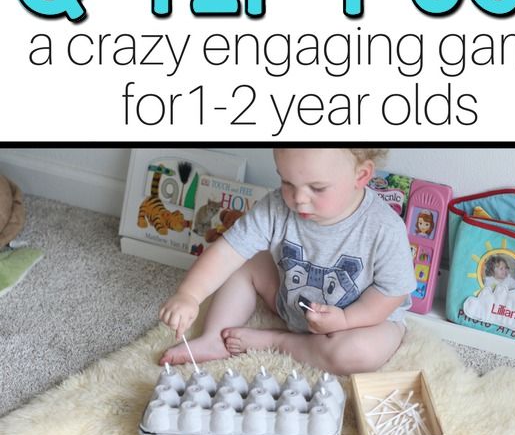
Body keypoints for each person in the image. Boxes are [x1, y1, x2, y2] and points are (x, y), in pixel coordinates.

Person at [158, 147, 416, 374]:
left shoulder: (384, 228)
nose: (298, 198)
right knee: (243, 260)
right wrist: (189, 294)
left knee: (360, 352)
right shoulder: (277, 206)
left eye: (317, 188)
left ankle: (278, 342)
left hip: (360, 321)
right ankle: (215, 337)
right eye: (287, 182)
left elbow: (390, 293)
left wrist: (346, 319)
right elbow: (228, 250)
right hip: (291, 300)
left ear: (360, 176)